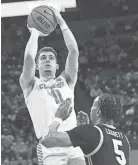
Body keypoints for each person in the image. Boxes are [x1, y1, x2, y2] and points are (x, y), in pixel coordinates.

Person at [19, 7, 85, 165]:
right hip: (50, 144)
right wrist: (35, 32)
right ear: (37, 65)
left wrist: (61, 21)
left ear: (57, 66)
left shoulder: (67, 80)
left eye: (50, 58)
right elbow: (28, 57)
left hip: (72, 141)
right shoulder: (30, 84)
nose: (47, 60)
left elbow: (74, 51)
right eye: (42, 58)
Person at [41, 93, 130, 165]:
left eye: (93, 106)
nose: (91, 109)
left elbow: (48, 140)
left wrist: (58, 118)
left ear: (98, 112)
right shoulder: (124, 138)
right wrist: (84, 129)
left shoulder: (91, 132)